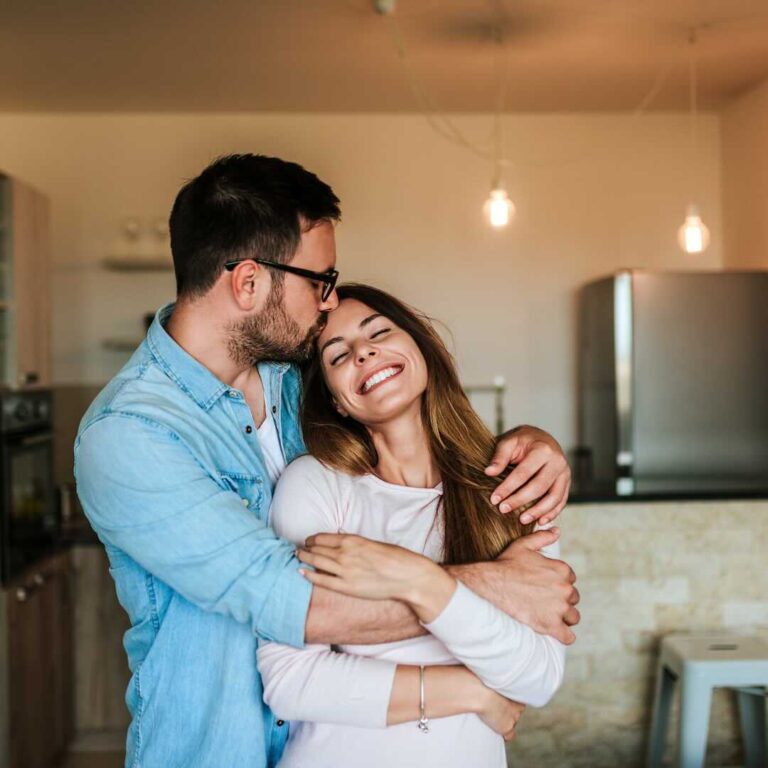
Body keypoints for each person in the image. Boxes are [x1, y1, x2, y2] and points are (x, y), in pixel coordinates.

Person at [74, 154, 579, 768]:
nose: (329, 299)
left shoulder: (294, 380)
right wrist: (491, 586)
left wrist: (533, 440)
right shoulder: (131, 435)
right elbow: (297, 604)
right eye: (320, 279)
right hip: (215, 751)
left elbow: (406, 395)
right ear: (250, 283)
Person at [257, 284, 568, 767]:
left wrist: (418, 580)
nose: (364, 353)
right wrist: (475, 691)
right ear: (336, 402)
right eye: (338, 357)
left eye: (378, 331)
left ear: (421, 347)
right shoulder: (315, 485)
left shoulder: (512, 484)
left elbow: (538, 676)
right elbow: (291, 681)